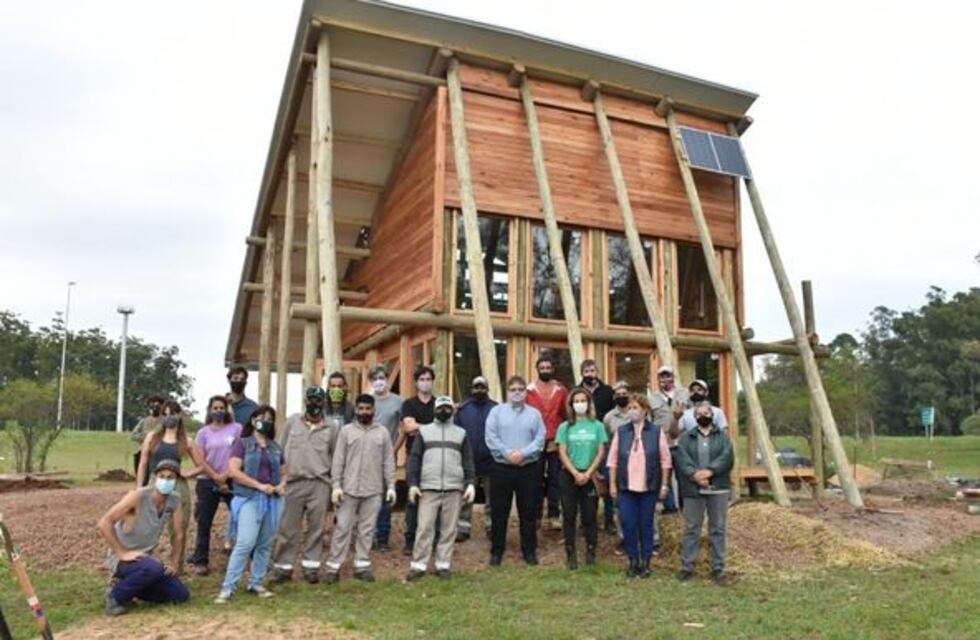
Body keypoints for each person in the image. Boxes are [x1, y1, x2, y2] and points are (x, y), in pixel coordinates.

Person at [99, 460, 190, 616]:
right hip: (124, 558)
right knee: (153, 568)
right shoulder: (137, 496)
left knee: (180, 594)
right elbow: (104, 522)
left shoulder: (174, 500)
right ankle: (115, 596)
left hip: (145, 559)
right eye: (162, 476)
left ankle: (128, 587)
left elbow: (179, 533)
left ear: (176, 481)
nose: (166, 481)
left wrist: (175, 563)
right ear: (155, 478)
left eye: (170, 477)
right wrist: (121, 553)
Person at [215, 406, 287, 603]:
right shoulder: (243, 443)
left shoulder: (275, 447)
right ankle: (228, 587)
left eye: (269, 418)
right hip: (249, 497)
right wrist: (258, 485)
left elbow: (285, 471)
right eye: (261, 417)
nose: (265, 420)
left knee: (265, 543)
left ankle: (256, 582)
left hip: (273, 500)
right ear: (253, 420)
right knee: (246, 542)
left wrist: (281, 485)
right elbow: (233, 471)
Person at [324, 395, 396, 583]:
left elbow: (388, 462)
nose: (364, 412)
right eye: (361, 408)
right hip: (348, 489)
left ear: (373, 410)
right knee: (342, 528)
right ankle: (333, 566)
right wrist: (336, 486)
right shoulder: (346, 431)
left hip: (373, 490)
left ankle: (362, 564)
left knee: (367, 530)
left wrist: (391, 486)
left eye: (368, 409)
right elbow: (338, 460)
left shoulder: (383, 433)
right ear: (356, 410)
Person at [271, 386, 339, 584]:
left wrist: (335, 486)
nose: (314, 404)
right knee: (287, 528)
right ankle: (283, 567)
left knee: (316, 528)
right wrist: (278, 480)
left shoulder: (332, 427)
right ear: (305, 401)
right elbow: (279, 451)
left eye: (318, 400)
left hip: (320, 483)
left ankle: (311, 566)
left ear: (324, 402)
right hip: (293, 482)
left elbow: (335, 456)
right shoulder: (293, 422)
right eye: (311, 399)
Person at [405, 396, 476, 581]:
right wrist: (412, 483)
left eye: (447, 408)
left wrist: (470, 483)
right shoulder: (424, 432)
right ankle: (418, 565)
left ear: (452, 410)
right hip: (428, 487)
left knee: (449, 529)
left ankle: (443, 564)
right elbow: (414, 459)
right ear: (434, 410)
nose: (444, 411)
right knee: (424, 527)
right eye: (440, 408)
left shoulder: (461, 433)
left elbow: (468, 460)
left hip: (454, 487)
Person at [607, 394, 672, 579]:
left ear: (645, 410)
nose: (632, 411)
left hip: (649, 487)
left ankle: (646, 561)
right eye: (630, 408)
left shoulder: (656, 431)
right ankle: (632, 560)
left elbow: (665, 460)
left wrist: (664, 485)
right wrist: (612, 484)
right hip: (626, 487)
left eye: (636, 408)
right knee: (628, 523)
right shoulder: (621, 432)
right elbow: (612, 460)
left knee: (646, 525)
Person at [135, 400, 204, 574]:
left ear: (179, 415)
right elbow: (143, 463)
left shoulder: (187, 441)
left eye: (172, 414)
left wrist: (187, 474)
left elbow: (202, 465)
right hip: (154, 482)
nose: (168, 417)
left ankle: (176, 569)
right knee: (148, 526)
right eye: (165, 414)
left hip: (177, 485)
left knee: (178, 529)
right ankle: (141, 567)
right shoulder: (152, 437)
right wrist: (138, 487)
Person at [485, 375, 545, 567]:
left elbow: (540, 439)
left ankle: (529, 551)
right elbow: (491, 437)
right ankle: (497, 550)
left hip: (528, 469)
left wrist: (523, 454)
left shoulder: (534, 414)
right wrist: (508, 453)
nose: (517, 392)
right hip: (502, 468)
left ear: (525, 392)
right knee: (499, 511)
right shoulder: (496, 412)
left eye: (521, 389)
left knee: (528, 511)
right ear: (507, 392)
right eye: (513, 389)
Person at [675, 402, 734, 583]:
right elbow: (682, 458)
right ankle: (687, 566)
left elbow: (727, 457)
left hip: (718, 488)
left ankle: (718, 567)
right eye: (699, 413)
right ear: (694, 417)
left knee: (717, 528)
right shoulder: (685, 437)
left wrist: (710, 471)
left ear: (712, 415)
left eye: (706, 412)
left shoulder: (723, 437)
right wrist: (695, 475)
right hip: (693, 488)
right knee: (692, 528)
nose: (703, 415)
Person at [188, 395, 242, 576]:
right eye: (215, 408)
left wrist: (227, 475)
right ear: (210, 410)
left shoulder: (237, 429)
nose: (218, 411)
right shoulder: (203, 433)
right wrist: (215, 476)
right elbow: (199, 459)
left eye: (222, 408)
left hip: (232, 477)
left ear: (227, 410)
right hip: (207, 479)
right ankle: (200, 560)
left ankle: (244, 559)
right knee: (204, 522)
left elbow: (240, 453)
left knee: (241, 519)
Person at [555, 388, 607, 570]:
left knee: (590, 516)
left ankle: (591, 552)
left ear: (589, 403)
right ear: (571, 405)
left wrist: (588, 473)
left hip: (590, 475)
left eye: (582, 400)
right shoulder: (564, 427)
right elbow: (561, 451)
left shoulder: (598, 426)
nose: (579, 404)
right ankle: (571, 554)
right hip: (569, 475)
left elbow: (601, 451)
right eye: (576, 401)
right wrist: (575, 473)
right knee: (569, 515)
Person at [525, 354, 569, 530]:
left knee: (555, 479)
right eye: (542, 368)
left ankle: (554, 514)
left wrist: (562, 437)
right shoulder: (528, 390)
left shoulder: (561, 390)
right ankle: (535, 515)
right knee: (535, 479)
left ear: (553, 369)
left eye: (548, 368)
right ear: (537, 369)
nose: (545, 371)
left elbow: (566, 415)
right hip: (534, 441)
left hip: (555, 441)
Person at [396, 365, 436, 555]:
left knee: (435, 498)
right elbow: (409, 427)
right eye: (422, 379)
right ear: (416, 382)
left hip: (435, 457)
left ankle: (433, 540)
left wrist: (419, 427)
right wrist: (433, 426)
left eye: (428, 379)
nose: (425, 383)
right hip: (414, 456)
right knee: (413, 498)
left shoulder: (438, 403)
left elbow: (444, 424)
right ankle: (410, 541)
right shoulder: (409, 404)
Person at [454, 376, 497, 541]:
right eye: (476, 387)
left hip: (490, 460)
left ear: (487, 389)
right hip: (468, 460)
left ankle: (492, 526)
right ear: (471, 389)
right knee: (466, 497)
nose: (479, 390)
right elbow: (457, 433)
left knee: (492, 497)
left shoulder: (495, 408)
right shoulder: (463, 410)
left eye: (482, 387)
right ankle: (462, 528)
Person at [369, 365, 403, 552]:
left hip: (388, 456)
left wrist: (394, 449)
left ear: (388, 379)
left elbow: (402, 428)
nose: (379, 381)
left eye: (382, 377)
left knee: (386, 496)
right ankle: (368, 534)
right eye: (375, 378)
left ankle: (382, 537)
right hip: (367, 456)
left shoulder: (398, 401)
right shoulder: (367, 401)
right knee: (368, 495)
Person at [650, 365, 688, 515]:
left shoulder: (684, 394)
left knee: (683, 475)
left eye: (668, 375)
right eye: (662, 376)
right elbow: (651, 420)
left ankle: (685, 507)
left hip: (682, 442)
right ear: (658, 379)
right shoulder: (652, 398)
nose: (665, 379)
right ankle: (670, 507)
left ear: (673, 377)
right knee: (665, 475)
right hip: (662, 443)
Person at [601, 381, 632, 535]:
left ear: (629, 395)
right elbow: (606, 441)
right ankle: (616, 527)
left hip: (636, 462)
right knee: (615, 498)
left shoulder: (637, 412)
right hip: (616, 462)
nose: (621, 397)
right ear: (614, 397)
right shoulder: (608, 417)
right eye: (618, 395)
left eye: (624, 394)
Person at [130, 395, 163, 478]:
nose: (154, 408)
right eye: (152, 406)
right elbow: (133, 435)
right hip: (142, 450)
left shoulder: (165, 421)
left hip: (158, 452)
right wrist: (146, 436)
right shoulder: (144, 421)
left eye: (157, 406)